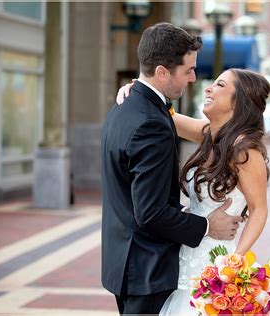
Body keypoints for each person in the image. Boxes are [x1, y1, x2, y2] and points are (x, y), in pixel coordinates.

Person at [117, 69, 270, 315]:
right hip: (183, 259)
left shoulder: (245, 151)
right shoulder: (208, 134)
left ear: (237, 102)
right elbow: (162, 114)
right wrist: (137, 91)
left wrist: (236, 259)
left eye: (219, 85)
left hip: (218, 262)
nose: (208, 88)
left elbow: (259, 209)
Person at [101, 22, 242, 315]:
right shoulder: (151, 122)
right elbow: (150, 213)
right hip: (147, 271)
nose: (193, 79)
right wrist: (206, 226)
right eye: (187, 70)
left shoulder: (124, 108)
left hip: (126, 263)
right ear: (162, 72)